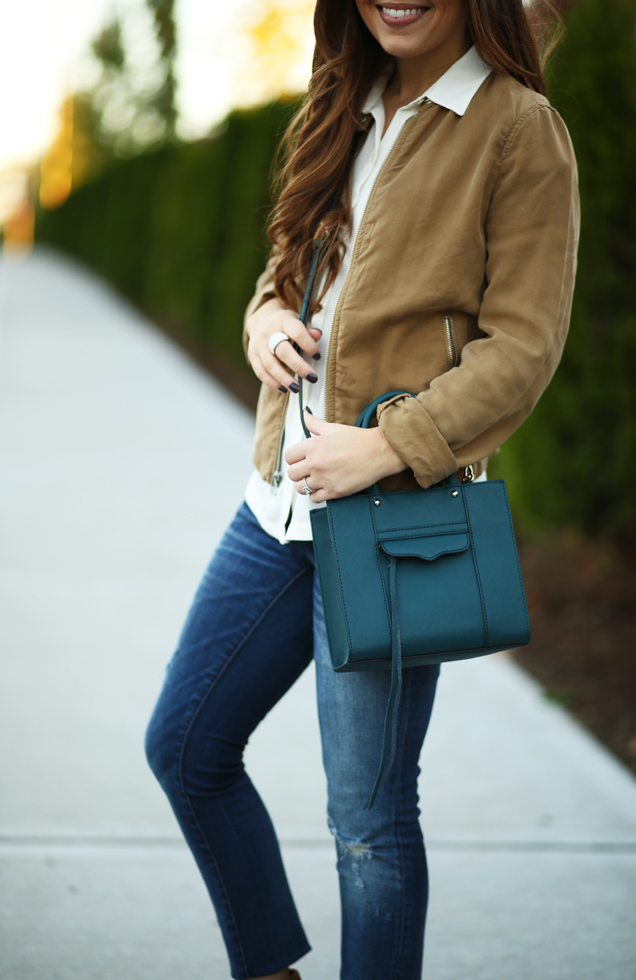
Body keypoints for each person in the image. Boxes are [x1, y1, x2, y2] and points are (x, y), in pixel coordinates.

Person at [145, 0, 579, 977]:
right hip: (280, 504)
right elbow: (284, 269)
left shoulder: (516, 128)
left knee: (368, 821)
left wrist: (388, 446)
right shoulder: (342, 100)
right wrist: (262, 326)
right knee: (185, 744)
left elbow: (523, 347)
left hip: (390, 521)